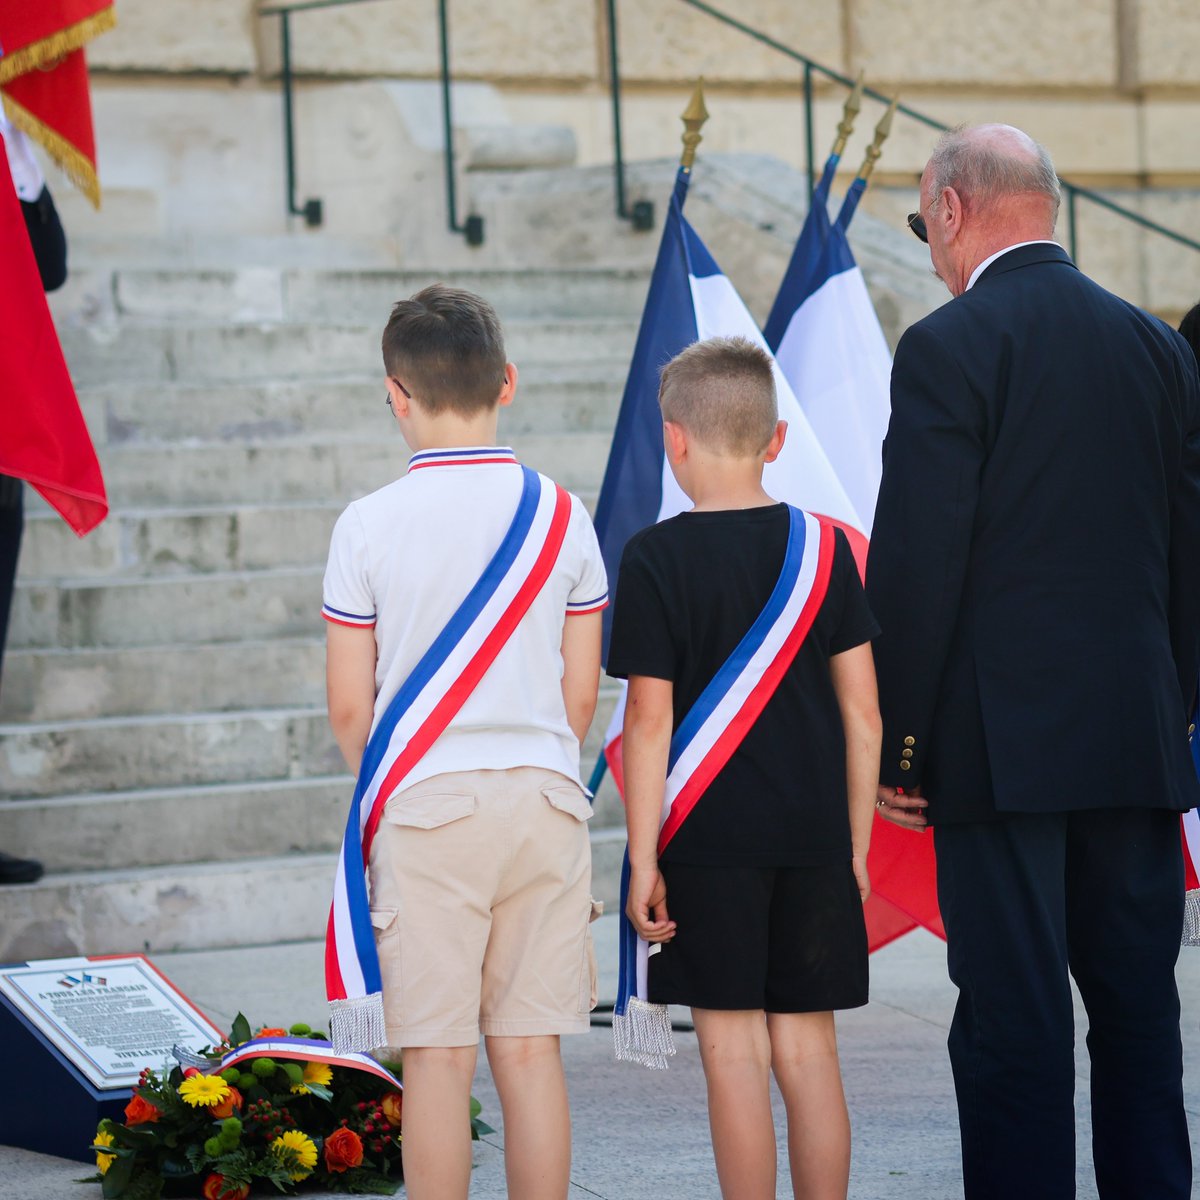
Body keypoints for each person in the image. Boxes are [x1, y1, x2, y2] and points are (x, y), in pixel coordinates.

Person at [868, 124, 1200, 1199]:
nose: (929, 250)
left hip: (1000, 756)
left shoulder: (947, 346)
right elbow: (1189, 559)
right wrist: (1172, 712)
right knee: (1142, 1023)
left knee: (1014, 1032)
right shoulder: (1157, 347)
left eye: (925, 227)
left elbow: (919, 567)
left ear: (956, 210)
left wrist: (903, 746)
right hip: (1135, 745)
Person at [322, 285, 608, 1200]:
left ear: (395, 394)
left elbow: (346, 711)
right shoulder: (566, 515)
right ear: (508, 382)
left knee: (439, 1063)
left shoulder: (366, 523)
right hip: (545, 798)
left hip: (427, 803)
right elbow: (580, 693)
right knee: (530, 1055)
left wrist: (399, 785)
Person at [607, 336, 881, 1200]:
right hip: (812, 839)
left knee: (732, 1053)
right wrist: (858, 848)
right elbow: (863, 714)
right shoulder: (827, 550)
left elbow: (648, 721)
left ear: (673, 439)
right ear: (777, 440)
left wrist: (643, 855)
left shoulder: (653, 557)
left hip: (707, 845)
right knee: (809, 1049)